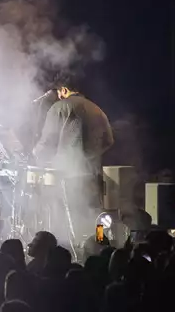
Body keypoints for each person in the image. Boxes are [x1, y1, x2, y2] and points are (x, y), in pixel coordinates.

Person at [32, 77, 114, 249]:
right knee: (95, 215)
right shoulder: (97, 109)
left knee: (66, 215)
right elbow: (109, 141)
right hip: (92, 173)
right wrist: (89, 154)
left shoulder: (59, 107)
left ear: (63, 90)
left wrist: (35, 153)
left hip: (67, 174)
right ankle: (99, 245)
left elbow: (48, 141)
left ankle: (71, 250)